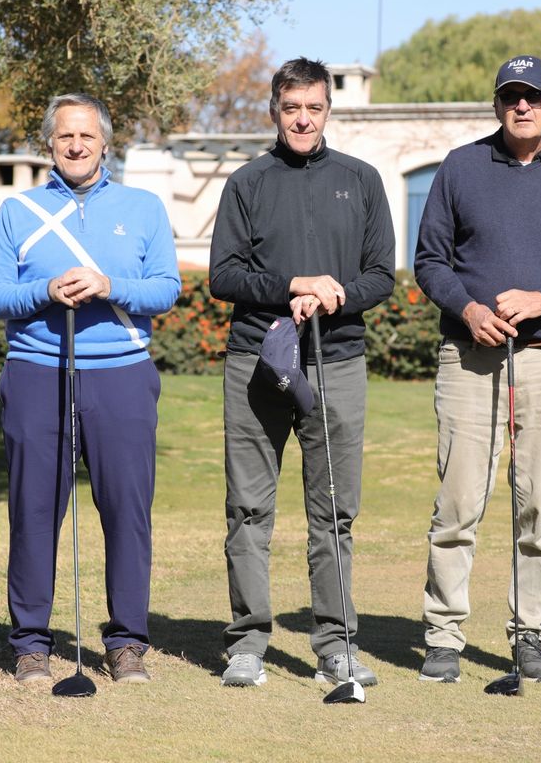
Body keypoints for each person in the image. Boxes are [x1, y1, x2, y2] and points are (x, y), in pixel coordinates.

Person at [413, 55, 541, 684]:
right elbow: (429, 262)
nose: (522, 107)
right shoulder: (461, 167)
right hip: (470, 359)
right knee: (458, 504)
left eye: (534, 96)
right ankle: (443, 637)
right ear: (498, 104)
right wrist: (469, 309)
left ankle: (529, 634)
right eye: (511, 97)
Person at [0, 93, 181, 685]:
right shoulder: (18, 211)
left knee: (126, 511)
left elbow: (165, 290)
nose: (76, 145)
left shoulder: (143, 208)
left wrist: (110, 284)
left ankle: (126, 644)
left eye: (87, 136)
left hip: (121, 373)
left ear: (105, 143)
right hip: (37, 370)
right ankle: (32, 644)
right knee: (35, 509)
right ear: (49, 144)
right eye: (65, 136)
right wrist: (45, 292)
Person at [209, 57, 396, 688]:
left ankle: (336, 645)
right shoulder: (247, 183)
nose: (303, 119)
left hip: (337, 359)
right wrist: (291, 284)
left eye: (314, 108)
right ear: (274, 110)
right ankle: (247, 643)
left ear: (328, 111)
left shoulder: (362, 180)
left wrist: (332, 294)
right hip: (256, 359)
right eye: (292, 108)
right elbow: (224, 276)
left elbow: (381, 276)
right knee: (248, 507)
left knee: (334, 511)